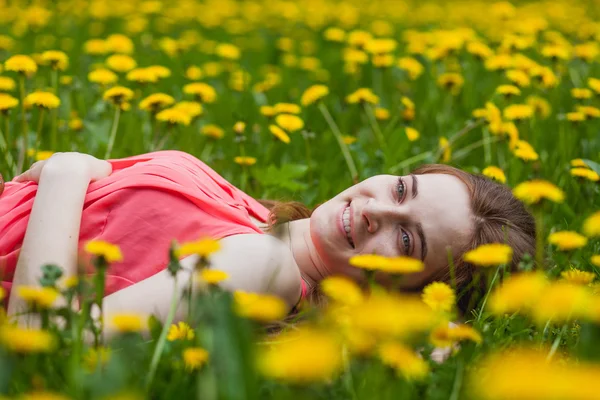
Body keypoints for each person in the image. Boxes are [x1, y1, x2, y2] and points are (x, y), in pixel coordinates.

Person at [0, 150, 536, 326]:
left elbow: (40, 334)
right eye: (401, 189)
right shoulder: (258, 222)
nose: (375, 210)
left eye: (406, 242)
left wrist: (65, 175)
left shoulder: (264, 264)